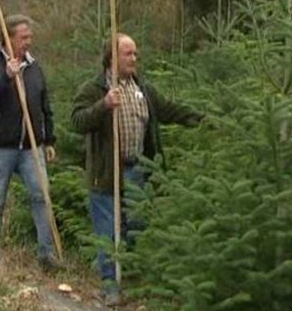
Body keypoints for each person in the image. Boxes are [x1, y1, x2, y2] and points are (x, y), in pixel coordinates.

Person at [71, 33, 203, 306]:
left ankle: (129, 272)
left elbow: (169, 110)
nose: (134, 59)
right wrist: (104, 105)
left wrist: (202, 120)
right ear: (112, 58)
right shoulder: (94, 89)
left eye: (135, 54)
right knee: (107, 230)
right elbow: (78, 121)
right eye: (128, 54)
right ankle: (110, 285)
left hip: (136, 170)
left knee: (137, 225)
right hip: (106, 171)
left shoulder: (142, 87)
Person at [0, 14, 59, 270]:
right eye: (23, 37)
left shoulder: (34, 67)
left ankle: (47, 254)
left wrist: (49, 138)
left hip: (31, 147)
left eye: (30, 37)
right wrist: (5, 78)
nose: (28, 42)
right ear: (8, 38)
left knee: (41, 196)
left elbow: (45, 105)